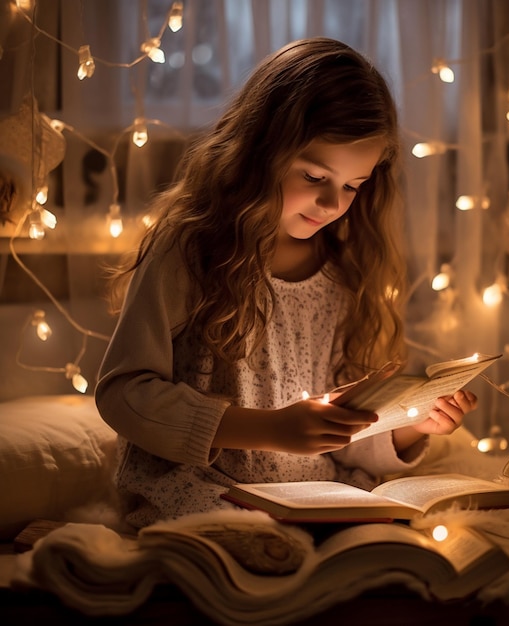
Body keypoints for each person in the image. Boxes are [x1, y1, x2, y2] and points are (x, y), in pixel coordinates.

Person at [95, 37, 477, 528]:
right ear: (261, 149)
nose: (333, 203)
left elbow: (347, 445)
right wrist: (269, 430)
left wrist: (411, 429)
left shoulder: (345, 273)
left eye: (352, 186)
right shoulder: (192, 249)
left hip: (313, 494)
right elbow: (124, 392)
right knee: (245, 547)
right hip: (201, 490)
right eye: (315, 176)